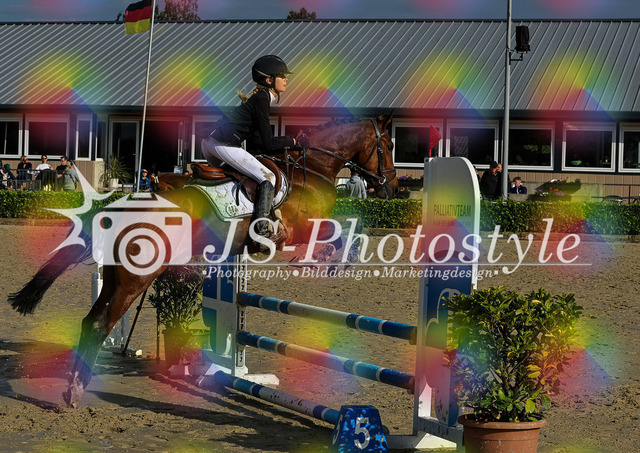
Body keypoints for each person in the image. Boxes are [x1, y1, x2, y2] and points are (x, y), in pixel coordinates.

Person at [200, 55, 309, 242]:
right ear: (269, 80)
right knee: (268, 178)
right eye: (282, 76)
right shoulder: (262, 99)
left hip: (211, 144)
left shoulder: (260, 98)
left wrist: (289, 141)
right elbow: (268, 143)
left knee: (241, 178)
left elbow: (257, 142)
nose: (286, 79)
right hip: (222, 144)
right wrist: (293, 142)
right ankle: (261, 230)